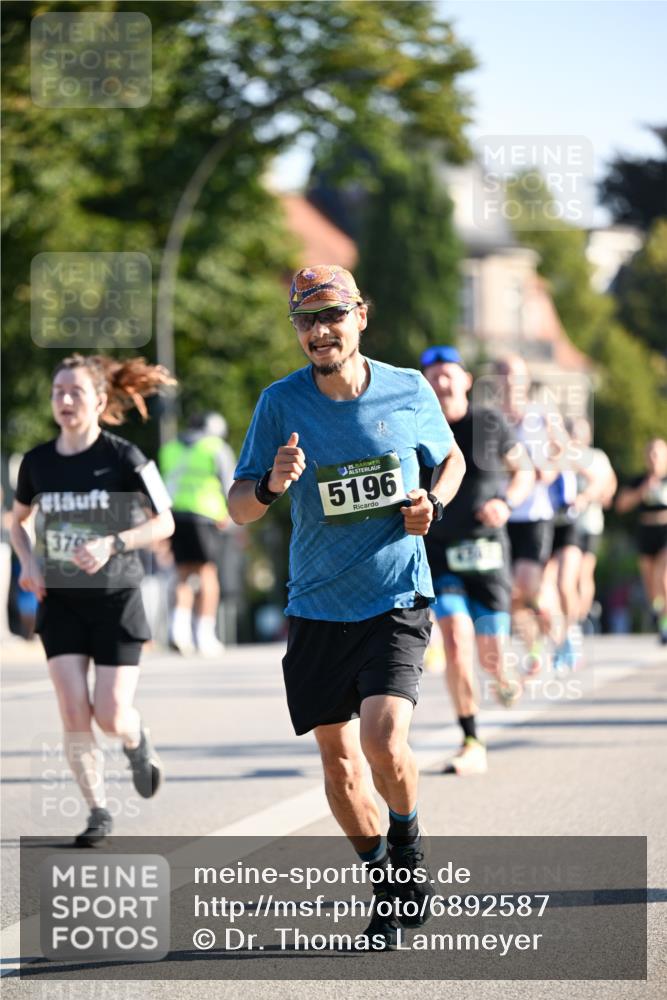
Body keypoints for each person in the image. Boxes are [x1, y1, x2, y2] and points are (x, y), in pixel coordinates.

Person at [227, 265, 466, 949]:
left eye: (331, 316)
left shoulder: (408, 388)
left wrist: (431, 502)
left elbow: (449, 460)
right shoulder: (279, 403)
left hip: (395, 594)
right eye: (305, 320)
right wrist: (269, 486)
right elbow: (238, 508)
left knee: (383, 740)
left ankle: (408, 841)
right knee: (338, 765)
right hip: (316, 605)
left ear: (360, 315)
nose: (319, 331)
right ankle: (386, 887)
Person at [10, 354, 175, 845]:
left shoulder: (126, 457)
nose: (64, 400)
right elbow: (18, 522)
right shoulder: (37, 462)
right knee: (72, 711)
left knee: (110, 714)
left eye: (75, 392)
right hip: (60, 601)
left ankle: (135, 738)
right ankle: (98, 811)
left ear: (100, 401)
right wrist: (29, 562)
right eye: (58, 391)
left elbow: (164, 522)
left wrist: (113, 543)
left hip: (115, 599)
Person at [420, 346, 534, 776]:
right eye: (433, 376)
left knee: (490, 654)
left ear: (466, 380)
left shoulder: (489, 422)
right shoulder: (417, 428)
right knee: (454, 637)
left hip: (487, 552)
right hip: (439, 552)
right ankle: (471, 739)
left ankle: (503, 678)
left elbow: (523, 472)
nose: (441, 382)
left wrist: (506, 502)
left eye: (449, 374)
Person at [493, 356, 564, 674]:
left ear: (525, 379)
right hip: (504, 513)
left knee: (528, 586)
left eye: (515, 374)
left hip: (536, 513)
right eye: (504, 374)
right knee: (513, 593)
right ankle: (534, 648)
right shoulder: (491, 418)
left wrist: (549, 468)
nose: (510, 380)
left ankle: (556, 629)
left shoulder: (542, 413)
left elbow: (562, 448)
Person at [159, 412, 236, 657]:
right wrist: (231, 514)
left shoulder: (170, 448)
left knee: (182, 573)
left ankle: (178, 631)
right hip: (206, 515)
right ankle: (205, 635)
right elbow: (230, 484)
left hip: (175, 516)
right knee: (207, 574)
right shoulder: (215, 447)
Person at [616, 438, 667, 643]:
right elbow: (621, 505)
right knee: (651, 586)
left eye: (657, 454)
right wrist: (642, 491)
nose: (653, 458)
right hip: (646, 532)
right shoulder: (640, 481)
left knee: (663, 576)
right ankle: (661, 619)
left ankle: (666, 624)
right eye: (650, 454)